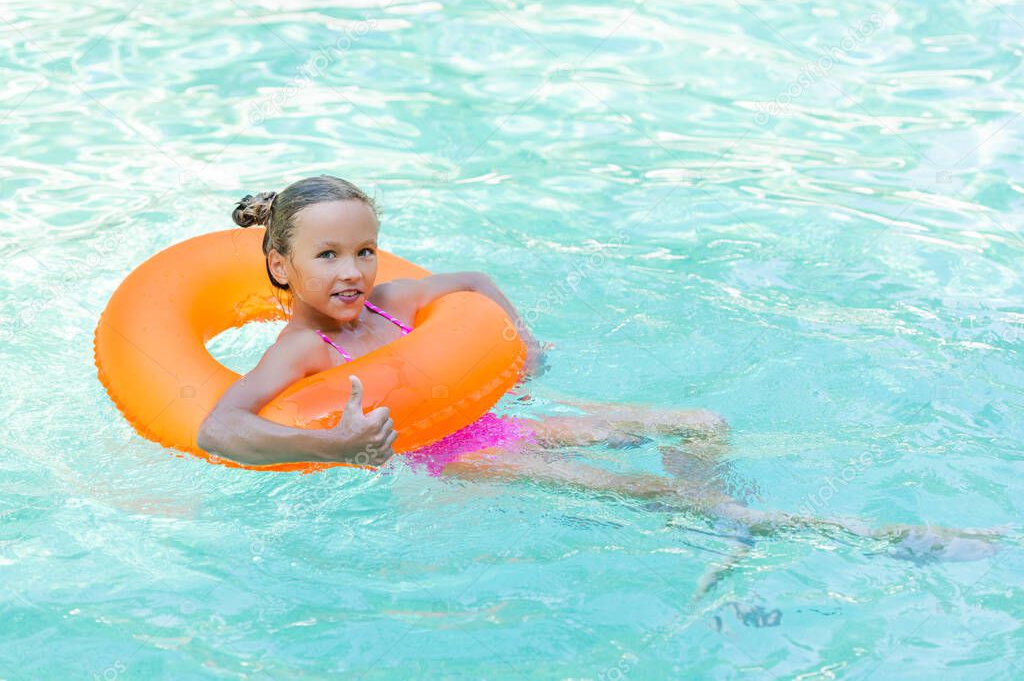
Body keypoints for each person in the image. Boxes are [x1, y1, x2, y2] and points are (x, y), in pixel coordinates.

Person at [197, 175, 997, 563]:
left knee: (702, 424)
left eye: (364, 249)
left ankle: (720, 517)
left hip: (495, 418)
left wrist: (522, 346)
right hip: (458, 456)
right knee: (652, 488)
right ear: (279, 263)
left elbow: (474, 282)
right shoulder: (303, 349)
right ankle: (874, 538)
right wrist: (342, 448)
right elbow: (220, 424)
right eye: (328, 254)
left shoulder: (396, 299)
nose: (353, 270)